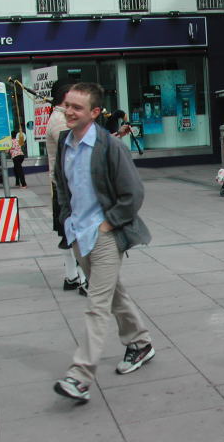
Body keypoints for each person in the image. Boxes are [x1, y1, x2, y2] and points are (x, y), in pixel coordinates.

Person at [53, 82, 154, 403]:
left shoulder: (110, 147)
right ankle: (140, 342)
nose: (69, 111)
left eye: (77, 107)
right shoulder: (64, 142)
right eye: (67, 105)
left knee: (96, 305)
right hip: (78, 234)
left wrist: (109, 223)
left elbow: (133, 193)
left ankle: (80, 377)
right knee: (113, 294)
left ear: (95, 112)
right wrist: (67, 219)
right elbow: (62, 185)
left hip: (105, 235)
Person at [45, 80, 88, 296]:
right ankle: (84, 280)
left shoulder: (62, 118)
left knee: (70, 232)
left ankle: (71, 277)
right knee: (78, 232)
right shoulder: (60, 122)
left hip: (67, 185)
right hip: (69, 186)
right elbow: (75, 150)